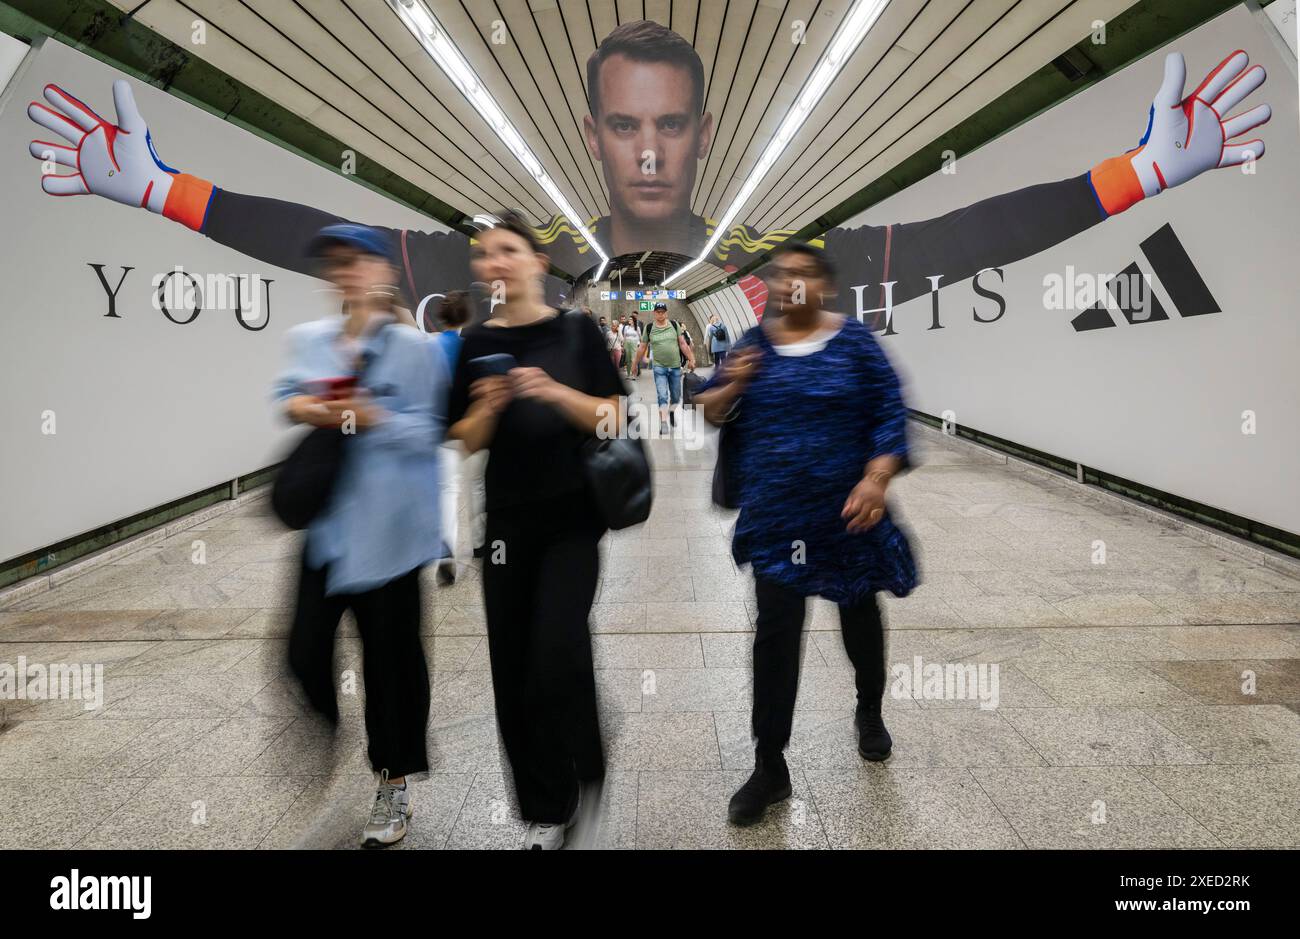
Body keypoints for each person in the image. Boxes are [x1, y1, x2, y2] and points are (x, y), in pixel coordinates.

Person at [32, 48, 1269, 318]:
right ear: (589, 133)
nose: (646, 150)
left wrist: (1140, 172)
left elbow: (957, 233)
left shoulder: (758, 253)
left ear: (701, 130)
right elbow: (344, 242)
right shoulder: (535, 256)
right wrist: (165, 192)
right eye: (625, 126)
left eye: (669, 125)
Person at [694, 242, 917, 828]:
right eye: (779, 274)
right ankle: (770, 764)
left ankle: (868, 708)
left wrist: (876, 477)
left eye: (801, 273)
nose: (788, 282)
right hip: (776, 521)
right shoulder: (753, 346)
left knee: (859, 620)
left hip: (849, 518)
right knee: (774, 637)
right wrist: (729, 387)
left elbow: (891, 412)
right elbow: (711, 408)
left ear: (824, 285)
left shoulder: (856, 343)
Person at [446, 210, 627, 850]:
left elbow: (613, 419)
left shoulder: (576, 333)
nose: (493, 263)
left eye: (506, 250)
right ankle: (551, 806)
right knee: (516, 668)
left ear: (535, 262)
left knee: (556, 650)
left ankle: (592, 772)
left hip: (574, 519)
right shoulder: (470, 343)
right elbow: (460, 441)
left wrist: (553, 394)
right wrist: (484, 412)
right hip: (507, 528)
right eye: (483, 254)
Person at [272, 223, 446, 848]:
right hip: (329, 533)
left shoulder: (414, 350)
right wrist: (326, 410)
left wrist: (374, 418)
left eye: (357, 261)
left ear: (384, 273)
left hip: (392, 537)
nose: (345, 273)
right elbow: (288, 400)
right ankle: (326, 725)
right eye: (335, 265)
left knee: (392, 670)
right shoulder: (310, 340)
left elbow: (431, 432)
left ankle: (392, 781)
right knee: (301, 651)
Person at [432, 291, 473, 585]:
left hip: (440, 429)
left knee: (446, 490)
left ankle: (446, 550)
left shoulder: (429, 347)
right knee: (476, 486)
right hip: (471, 429)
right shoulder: (470, 348)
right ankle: (482, 542)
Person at [635, 302, 695, 436]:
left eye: (663, 312)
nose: (660, 314)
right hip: (659, 368)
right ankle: (663, 422)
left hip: (675, 367)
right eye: (658, 312)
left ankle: (672, 411)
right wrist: (634, 364)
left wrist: (691, 359)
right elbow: (642, 347)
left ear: (666, 313)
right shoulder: (649, 328)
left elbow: (683, 344)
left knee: (676, 397)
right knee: (662, 396)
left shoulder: (674, 325)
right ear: (654, 313)